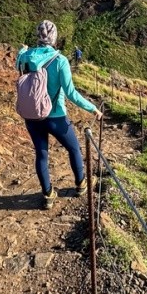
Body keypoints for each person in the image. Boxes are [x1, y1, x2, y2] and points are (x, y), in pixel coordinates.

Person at [17, 20, 102, 210]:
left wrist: (22, 50)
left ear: (38, 36)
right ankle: (81, 184)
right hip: (56, 116)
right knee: (74, 148)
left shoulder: (25, 57)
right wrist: (93, 109)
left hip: (32, 117)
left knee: (41, 154)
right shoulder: (60, 60)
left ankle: (47, 194)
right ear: (54, 38)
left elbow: (18, 64)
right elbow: (71, 93)